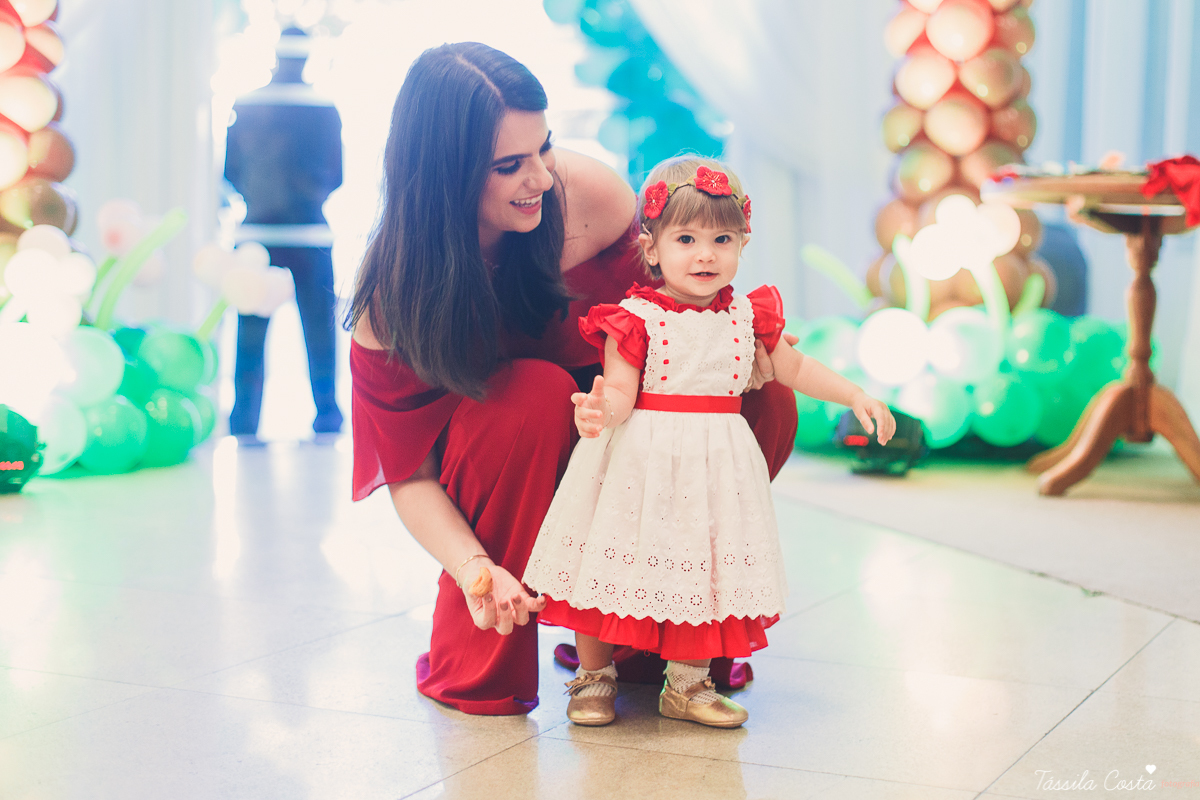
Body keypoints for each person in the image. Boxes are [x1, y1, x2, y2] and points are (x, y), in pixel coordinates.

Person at [346, 43, 798, 716]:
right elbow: (409, 475)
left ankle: (660, 632)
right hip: (506, 465)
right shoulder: (392, 300)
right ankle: (497, 627)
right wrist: (474, 570)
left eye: (545, 148)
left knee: (759, 396)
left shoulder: (588, 198)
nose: (538, 177)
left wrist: (748, 344)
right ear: (444, 174)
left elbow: (678, 336)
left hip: (629, 443)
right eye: (508, 165)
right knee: (530, 394)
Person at [522, 156, 897, 728]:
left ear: (743, 244)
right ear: (652, 248)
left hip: (714, 467)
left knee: (701, 568)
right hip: (637, 462)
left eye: (722, 238)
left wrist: (854, 396)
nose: (705, 254)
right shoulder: (633, 318)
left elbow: (795, 368)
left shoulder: (750, 317)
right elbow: (622, 387)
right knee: (605, 564)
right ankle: (594, 676)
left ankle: (689, 684)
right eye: (687, 238)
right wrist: (602, 409)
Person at [224, 27, 345, 441]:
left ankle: (244, 418)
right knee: (318, 328)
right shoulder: (322, 108)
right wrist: (306, 196)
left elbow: (229, 171)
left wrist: (260, 199)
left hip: (259, 228)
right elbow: (337, 174)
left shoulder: (249, 105)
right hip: (308, 230)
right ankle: (326, 412)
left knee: (252, 329)